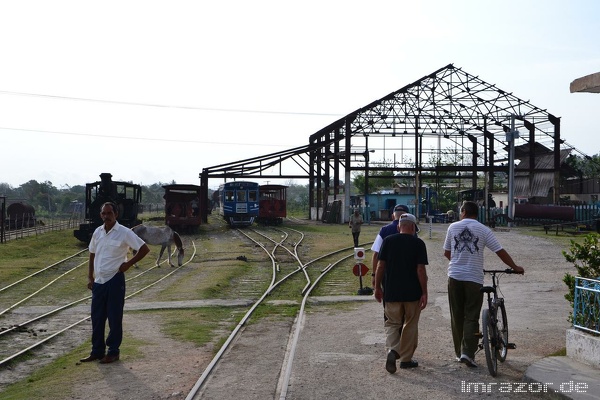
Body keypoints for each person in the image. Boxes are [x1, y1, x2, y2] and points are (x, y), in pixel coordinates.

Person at [443, 201, 524, 368]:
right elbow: (499, 250)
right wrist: (514, 267)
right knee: (471, 315)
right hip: (474, 278)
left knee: (456, 315)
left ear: (463, 211)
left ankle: (459, 353)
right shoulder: (484, 230)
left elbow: (446, 252)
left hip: (454, 277)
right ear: (476, 213)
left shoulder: (453, 227)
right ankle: (468, 353)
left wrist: (459, 262)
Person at [80, 202, 150, 364]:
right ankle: (97, 351)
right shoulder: (98, 232)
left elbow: (144, 249)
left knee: (114, 317)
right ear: (100, 215)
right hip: (99, 282)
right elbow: (92, 254)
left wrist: (128, 264)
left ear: (116, 214)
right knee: (97, 318)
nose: (106, 216)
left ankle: (113, 352)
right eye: (103, 213)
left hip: (114, 280)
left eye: (109, 213)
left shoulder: (124, 233)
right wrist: (90, 277)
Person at [374, 213, 428, 373]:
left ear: (399, 227)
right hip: (413, 293)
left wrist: (377, 287)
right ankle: (405, 359)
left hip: (391, 291)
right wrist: (424, 292)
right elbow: (420, 269)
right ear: (412, 227)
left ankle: (392, 349)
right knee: (410, 324)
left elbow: (380, 266)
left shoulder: (388, 241)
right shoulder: (418, 243)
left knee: (392, 323)